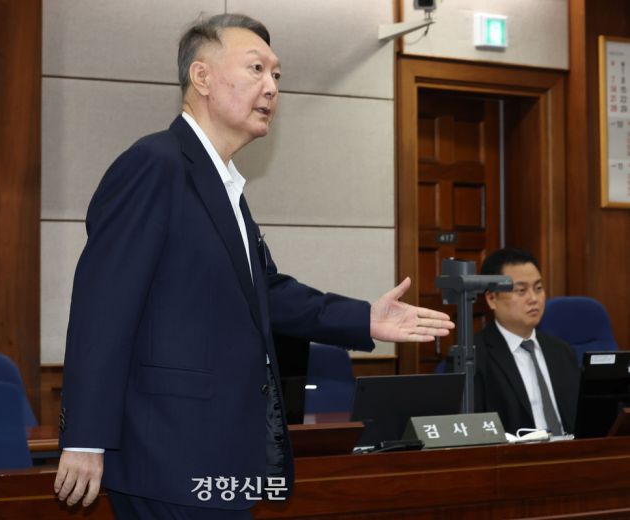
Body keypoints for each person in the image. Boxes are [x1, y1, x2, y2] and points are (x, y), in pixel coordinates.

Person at [53, 13, 453, 519]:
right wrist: (86, 438)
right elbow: (103, 307)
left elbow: (265, 290)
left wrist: (363, 318)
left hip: (219, 450)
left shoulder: (222, 184)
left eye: (277, 75)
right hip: (167, 454)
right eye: (257, 69)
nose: (272, 87)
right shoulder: (155, 164)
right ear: (201, 77)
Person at [474, 247, 579, 436]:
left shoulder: (562, 352)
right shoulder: (474, 356)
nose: (533, 299)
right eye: (521, 290)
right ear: (492, 299)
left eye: (538, 288)